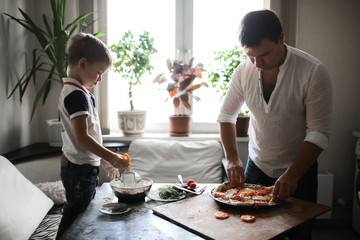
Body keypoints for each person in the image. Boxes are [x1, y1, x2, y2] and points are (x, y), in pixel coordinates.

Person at [218, 10, 332, 239]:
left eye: (264, 55)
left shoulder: (313, 71)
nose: (257, 63)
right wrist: (231, 158)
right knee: (253, 233)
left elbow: (319, 132)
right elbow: (226, 116)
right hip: (257, 166)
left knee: (299, 234)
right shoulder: (243, 71)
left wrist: (292, 175)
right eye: (251, 56)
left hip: (299, 172)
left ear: (281, 38)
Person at [56, 33, 129, 239]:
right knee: (75, 217)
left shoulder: (80, 92)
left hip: (83, 167)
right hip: (79, 171)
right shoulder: (76, 95)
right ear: (83, 64)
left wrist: (105, 161)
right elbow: (82, 137)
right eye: (98, 72)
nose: (100, 79)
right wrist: (113, 157)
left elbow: (91, 137)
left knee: (82, 212)